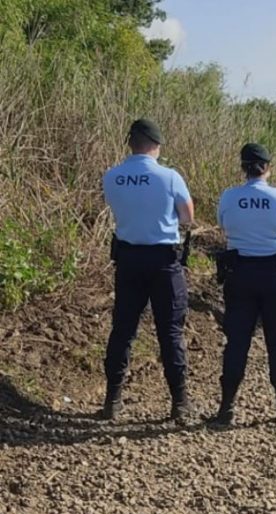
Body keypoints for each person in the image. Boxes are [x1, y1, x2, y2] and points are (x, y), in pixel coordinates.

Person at [100, 118, 196, 424]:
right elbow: (187, 217)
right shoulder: (169, 177)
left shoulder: (112, 176)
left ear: (130, 143)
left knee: (123, 329)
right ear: (156, 145)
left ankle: (112, 401)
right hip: (163, 261)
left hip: (127, 259)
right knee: (169, 330)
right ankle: (180, 403)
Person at [209, 143, 276, 427]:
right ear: (268, 167)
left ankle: (226, 408)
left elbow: (224, 226)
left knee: (236, 341)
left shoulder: (229, 196)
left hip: (240, 273)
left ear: (243, 167)